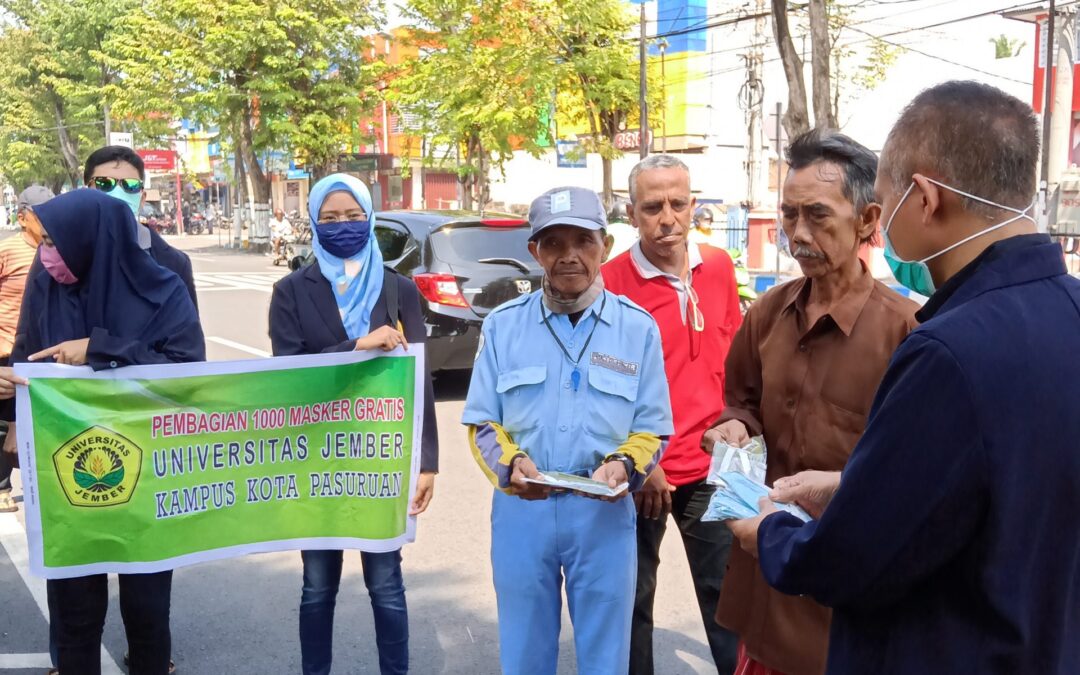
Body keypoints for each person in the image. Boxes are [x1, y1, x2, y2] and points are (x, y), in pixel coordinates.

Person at [726, 81, 1080, 675]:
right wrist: (850, 485)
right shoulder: (1066, 311)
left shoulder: (942, 347)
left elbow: (852, 558)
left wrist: (768, 532)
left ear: (921, 198)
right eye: (789, 215)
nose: (799, 232)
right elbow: (997, 485)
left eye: (884, 198)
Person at [705, 129, 918, 675]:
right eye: (789, 214)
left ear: (868, 220)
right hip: (767, 579)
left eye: (818, 215)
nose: (798, 233)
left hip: (847, 597)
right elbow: (741, 401)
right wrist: (733, 427)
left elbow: (913, 476)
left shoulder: (906, 333)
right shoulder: (768, 314)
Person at [462, 186, 673, 675]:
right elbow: (480, 421)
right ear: (534, 251)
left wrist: (623, 467)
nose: (569, 256)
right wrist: (511, 465)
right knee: (523, 655)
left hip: (602, 517)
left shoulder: (637, 329)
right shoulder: (503, 326)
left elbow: (653, 428)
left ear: (606, 245)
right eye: (553, 243)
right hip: (522, 512)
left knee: (606, 659)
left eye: (583, 240)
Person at [11, 189, 204, 675]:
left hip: (148, 476)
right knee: (74, 617)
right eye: (43, 240)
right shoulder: (46, 282)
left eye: (54, 240)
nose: (46, 252)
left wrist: (101, 349)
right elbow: (25, 351)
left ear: (91, 238)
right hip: (67, 474)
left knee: (146, 612)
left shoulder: (163, 291)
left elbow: (187, 373)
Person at [268, 173, 438, 675]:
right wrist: (355, 346)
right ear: (315, 223)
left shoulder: (398, 289)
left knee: (386, 582)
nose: (343, 226)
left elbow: (418, 378)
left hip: (381, 460)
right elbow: (287, 373)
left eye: (353, 216)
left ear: (369, 217)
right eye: (330, 217)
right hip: (315, 459)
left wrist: (426, 461)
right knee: (317, 584)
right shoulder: (291, 291)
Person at [601, 155, 741, 674]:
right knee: (634, 600)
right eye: (652, 206)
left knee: (728, 598)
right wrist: (642, 462)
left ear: (693, 205)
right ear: (632, 213)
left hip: (712, 469)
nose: (667, 218)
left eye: (678, 204)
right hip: (645, 473)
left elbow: (732, 360)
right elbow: (605, 388)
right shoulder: (611, 283)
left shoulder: (720, 267)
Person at [83, 146, 197, 306]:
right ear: (84, 192)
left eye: (130, 185)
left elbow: (187, 329)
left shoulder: (174, 263)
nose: (117, 193)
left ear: (142, 198)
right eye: (105, 183)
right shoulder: (57, 253)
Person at [0, 186, 52, 513]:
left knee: (36, 423)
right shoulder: (8, 251)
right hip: (4, 349)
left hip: (38, 353)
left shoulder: (56, 251)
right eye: (41, 213)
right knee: (5, 424)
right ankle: (2, 485)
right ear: (22, 218)